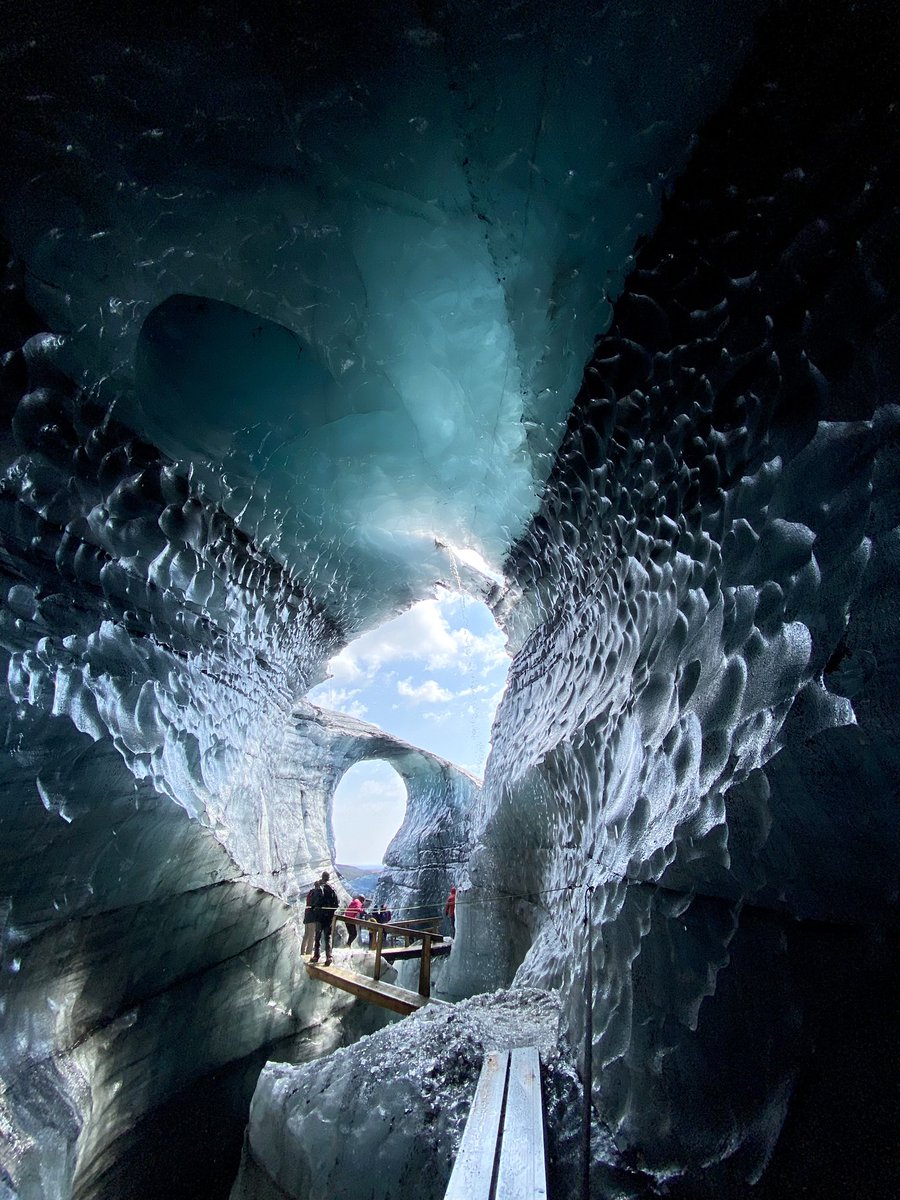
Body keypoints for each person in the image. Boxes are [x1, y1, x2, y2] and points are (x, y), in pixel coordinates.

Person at [311, 871, 339, 966]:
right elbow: (336, 904)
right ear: (328, 878)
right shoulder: (332, 889)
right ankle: (329, 957)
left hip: (320, 916)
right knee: (327, 937)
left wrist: (317, 888)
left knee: (318, 936)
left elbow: (315, 901)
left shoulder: (320, 888)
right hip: (328, 917)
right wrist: (330, 913)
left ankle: (316, 956)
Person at [301, 882, 318, 956]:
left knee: (306, 934)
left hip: (307, 915)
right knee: (312, 935)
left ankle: (302, 951)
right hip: (312, 916)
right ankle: (308, 953)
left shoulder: (310, 892)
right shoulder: (316, 894)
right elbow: (315, 904)